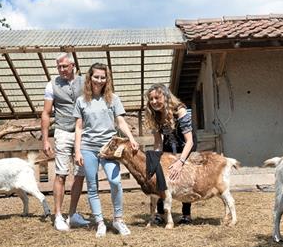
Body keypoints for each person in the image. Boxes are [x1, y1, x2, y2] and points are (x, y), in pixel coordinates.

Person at [73, 62, 139, 237]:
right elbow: (78, 128)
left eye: (103, 77)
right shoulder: (81, 101)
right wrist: (77, 151)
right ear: (90, 77)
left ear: (107, 79)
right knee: (92, 186)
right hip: (88, 147)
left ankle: (118, 219)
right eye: (96, 77)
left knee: (115, 181)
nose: (99, 80)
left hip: (109, 147)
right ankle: (100, 222)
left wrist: (131, 138)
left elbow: (121, 121)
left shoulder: (113, 99)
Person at [41, 53, 90, 231]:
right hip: (62, 131)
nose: (61, 70)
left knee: (80, 174)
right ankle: (58, 215)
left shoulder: (85, 82)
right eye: (59, 67)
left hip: (82, 132)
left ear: (73, 66)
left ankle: (73, 214)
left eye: (65, 66)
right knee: (61, 174)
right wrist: (46, 139)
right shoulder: (51, 85)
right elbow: (46, 113)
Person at [144, 84, 196, 225]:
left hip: (185, 146)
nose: (154, 102)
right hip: (167, 145)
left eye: (157, 98)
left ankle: (186, 214)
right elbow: (158, 143)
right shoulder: (153, 114)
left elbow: (189, 141)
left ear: (166, 97)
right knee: (161, 177)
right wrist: (156, 161)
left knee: (184, 177)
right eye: (151, 99)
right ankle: (161, 213)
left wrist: (180, 162)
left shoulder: (180, 110)